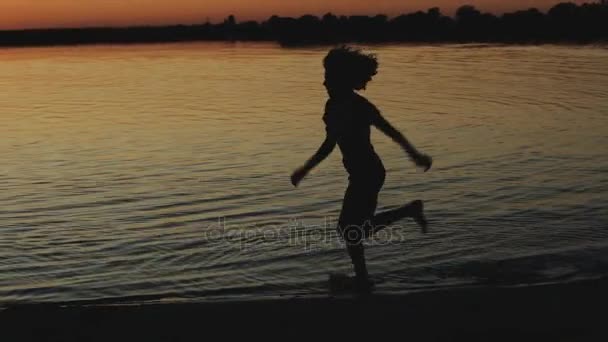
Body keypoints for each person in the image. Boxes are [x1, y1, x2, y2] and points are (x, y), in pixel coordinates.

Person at [291, 46, 432, 292]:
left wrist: (415, 155)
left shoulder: (360, 106)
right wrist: (306, 169)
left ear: (341, 80)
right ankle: (365, 275)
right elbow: (329, 144)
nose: (323, 82)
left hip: (369, 173)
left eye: (328, 77)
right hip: (360, 173)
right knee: (352, 229)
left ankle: (364, 278)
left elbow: (391, 132)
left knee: (350, 229)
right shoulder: (332, 106)